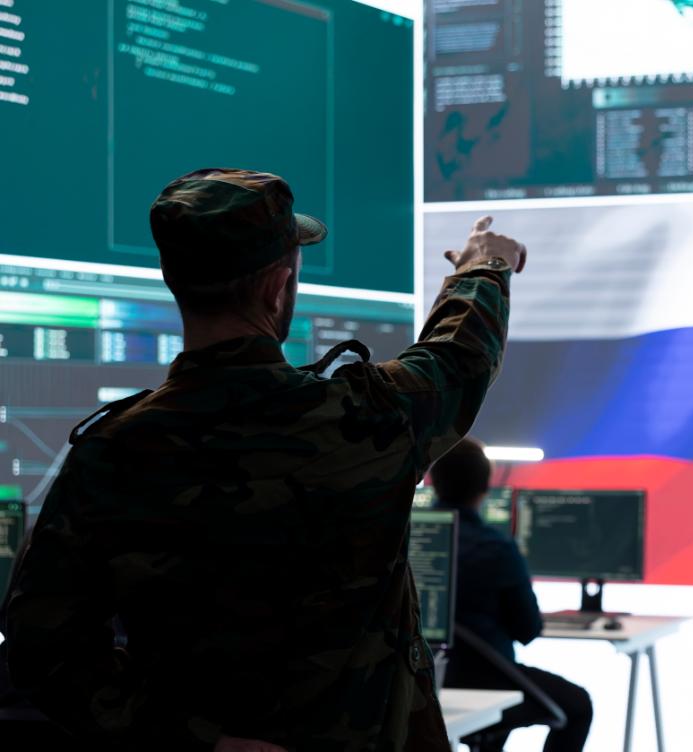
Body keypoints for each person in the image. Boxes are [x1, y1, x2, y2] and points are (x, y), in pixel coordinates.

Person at [1, 168, 524, 751]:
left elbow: (40, 647)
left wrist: (195, 740)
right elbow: (459, 358)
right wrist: (483, 266)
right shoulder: (369, 415)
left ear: (175, 280)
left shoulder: (110, 453)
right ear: (279, 287)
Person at [428, 439, 593, 752]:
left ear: (433, 482)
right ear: (485, 488)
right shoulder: (497, 548)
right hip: (491, 682)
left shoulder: (407, 541)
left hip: (420, 682)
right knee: (578, 706)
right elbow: (527, 630)